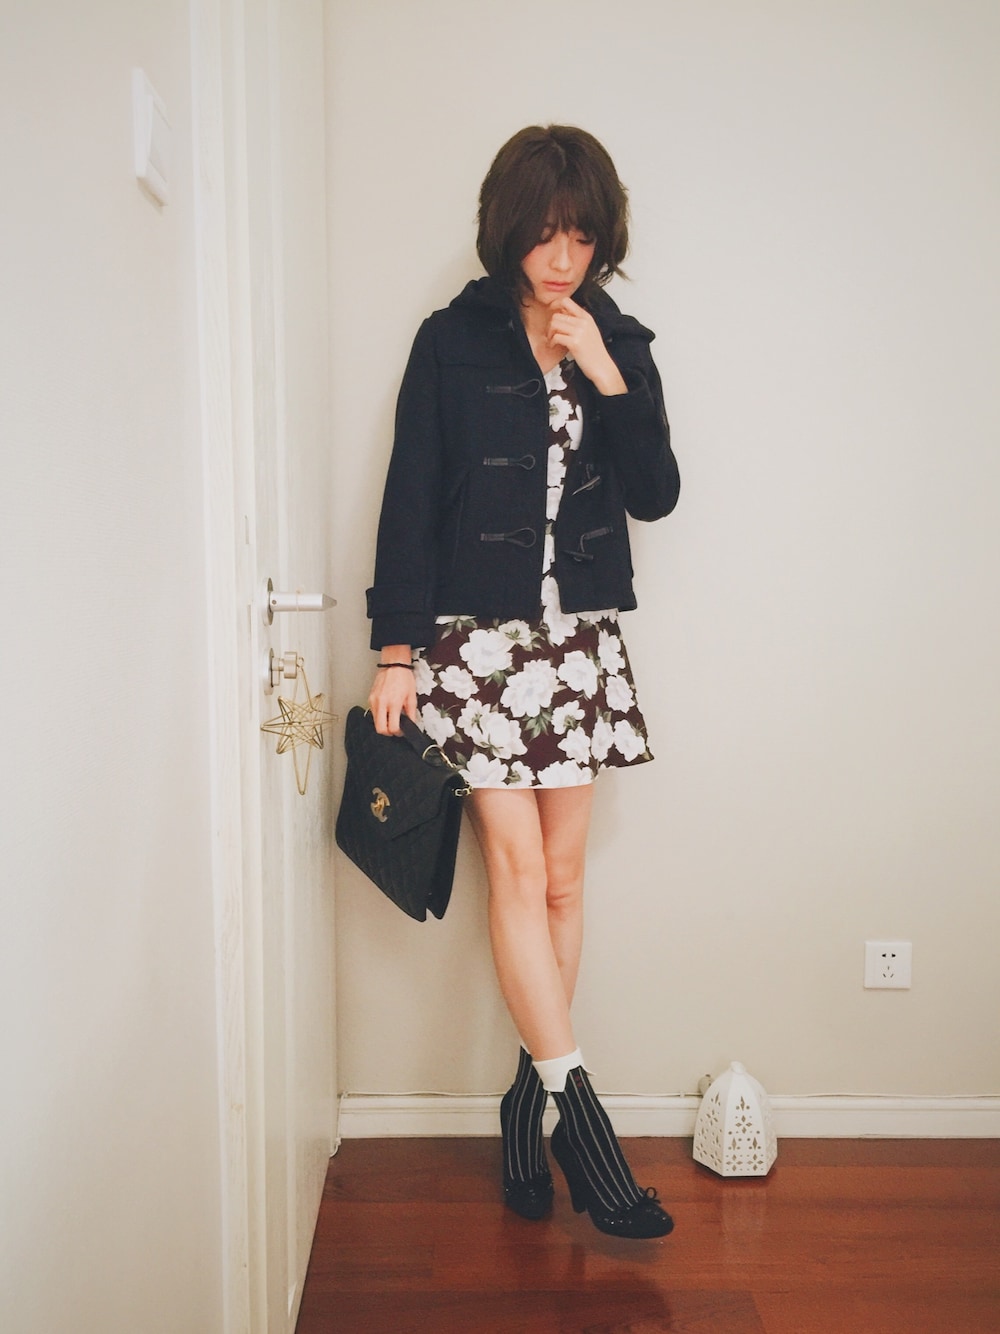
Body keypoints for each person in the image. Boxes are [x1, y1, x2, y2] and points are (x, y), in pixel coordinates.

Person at [366, 125, 680, 1239]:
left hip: (576, 642)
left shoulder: (620, 340)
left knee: (561, 884)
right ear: (509, 229)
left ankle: (523, 1104)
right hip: (473, 645)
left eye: (581, 236)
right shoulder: (450, 341)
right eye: (545, 233)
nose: (561, 257)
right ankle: (585, 1129)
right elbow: (410, 496)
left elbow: (656, 494)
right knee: (514, 867)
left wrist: (606, 375)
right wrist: (395, 650)